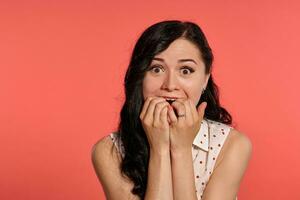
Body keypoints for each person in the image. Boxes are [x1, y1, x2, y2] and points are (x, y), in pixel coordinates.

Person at [91, 20, 252, 200]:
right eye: (157, 69)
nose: (170, 85)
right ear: (140, 77)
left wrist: (180, 149)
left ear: (205, 79)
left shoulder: (231, 145)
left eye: (185, 70)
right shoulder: (109, 151)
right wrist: (159, 148)